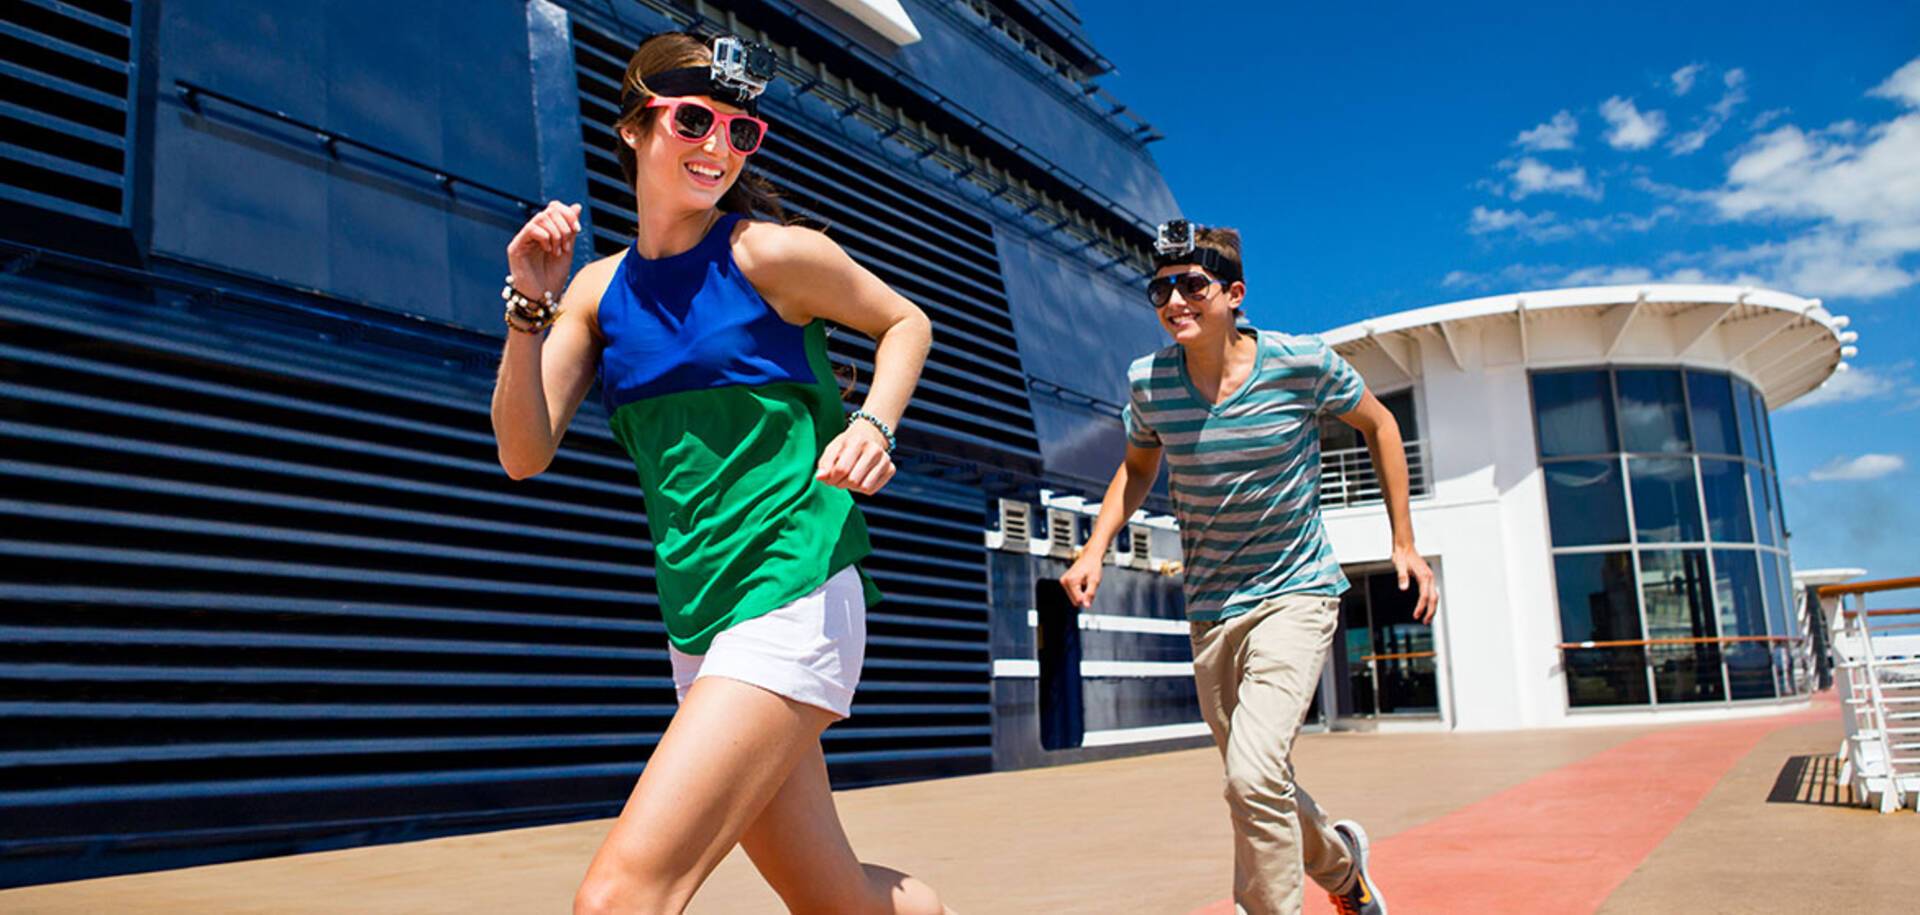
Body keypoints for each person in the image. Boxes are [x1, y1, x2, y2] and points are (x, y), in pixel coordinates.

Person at [489, 30, 947, 915]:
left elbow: (905, 321)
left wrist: (874, 422)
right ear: (633, 128)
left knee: (620, 897)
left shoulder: (771, 255)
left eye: (741, 132)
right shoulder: (593, 293)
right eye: (694, 119)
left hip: (795, 586)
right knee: (836, 899)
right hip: (697, 620)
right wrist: (528, 311)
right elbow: (522, 451)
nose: (718, 147)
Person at [1059, 222, 1437, 915]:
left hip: (1297, 591)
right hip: (1212, 608)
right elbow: (1137, 467)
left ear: (1234, 294)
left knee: (1254, 772)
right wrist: (1094, 547)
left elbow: (1381, 425)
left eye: (1193, 286)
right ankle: (1345, 871)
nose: (1176, 300)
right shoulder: (1149, 383)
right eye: (1161, 289)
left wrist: (1403, 540)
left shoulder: (1302, 364)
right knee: (1254, 779)